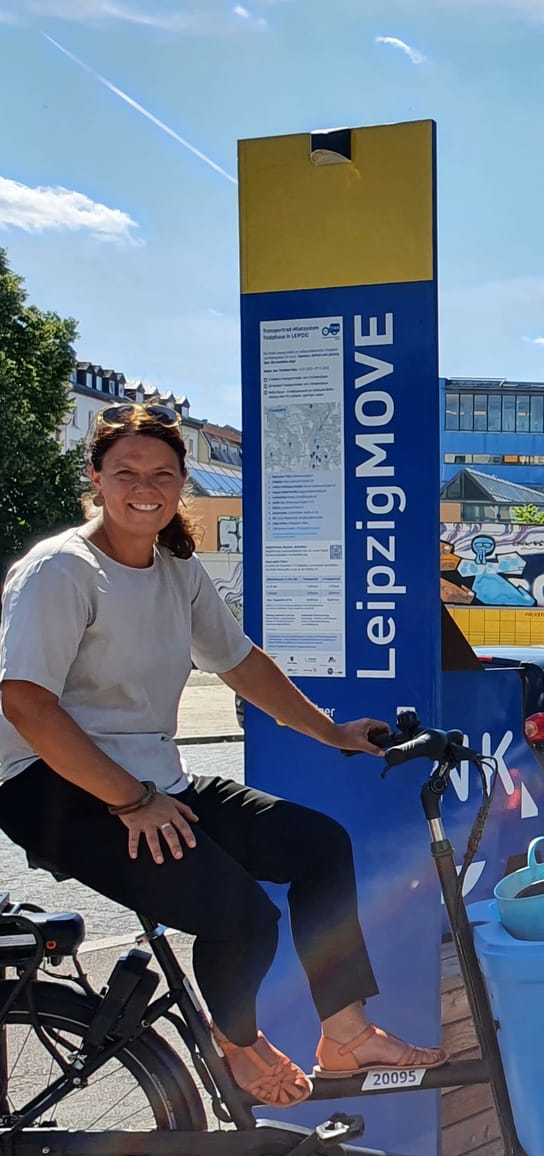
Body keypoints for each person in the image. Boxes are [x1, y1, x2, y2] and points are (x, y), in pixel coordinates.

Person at [0, 404, 445, 1110]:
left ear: (181, 483)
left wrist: (332, 734)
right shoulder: (62, 571)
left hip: (150, 782)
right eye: (125, 472)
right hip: (52, 786)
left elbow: (241, 664)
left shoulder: (176, 569)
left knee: (317, 844)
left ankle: (346, 1032)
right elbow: (26, 704)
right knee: (240, 914)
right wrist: (131, 802)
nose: (144, 487)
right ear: (95, 478)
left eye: (161, 474)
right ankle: (236, 1044)